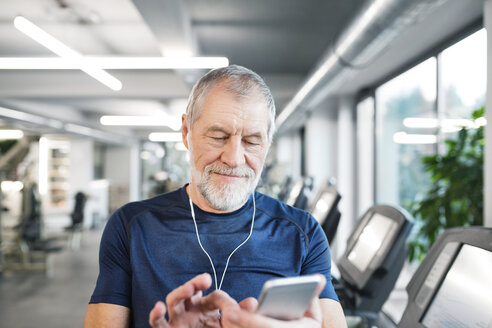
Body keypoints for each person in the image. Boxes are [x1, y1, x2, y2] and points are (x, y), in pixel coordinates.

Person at [84, 65, 347, 328]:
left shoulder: (302, 233)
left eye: (252, 141)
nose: (233, 159)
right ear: (186, 132)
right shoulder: (131, 227)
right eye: (218, 137)